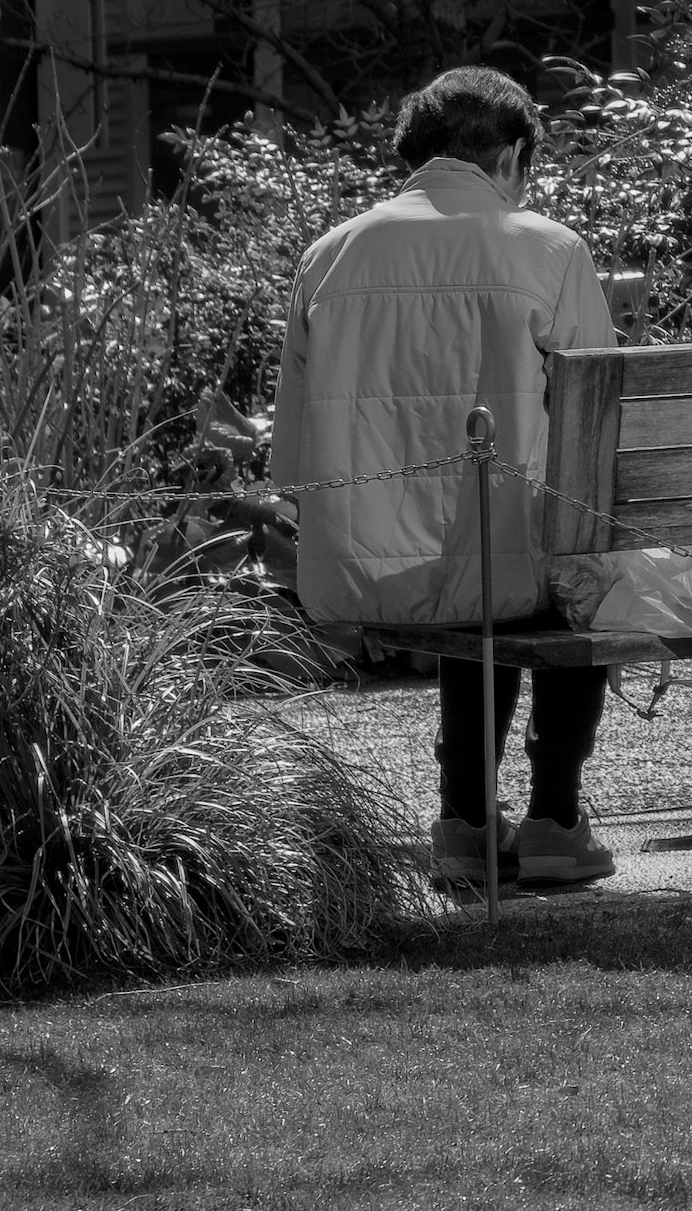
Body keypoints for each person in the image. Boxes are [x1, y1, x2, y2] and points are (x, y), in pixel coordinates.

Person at [274, 67, 618, 887]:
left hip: (363, 572)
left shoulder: (327, 255)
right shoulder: (549, 249)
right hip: (506, 563)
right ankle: (556, 819)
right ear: (507, 155)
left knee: (477, 554)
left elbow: (291, 460)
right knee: (569, 553)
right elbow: (601, 434)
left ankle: (464, 822)